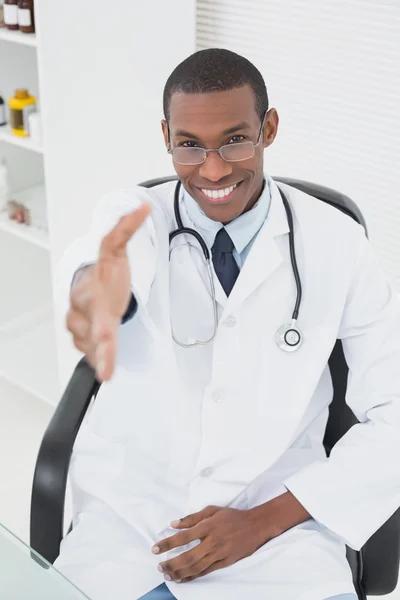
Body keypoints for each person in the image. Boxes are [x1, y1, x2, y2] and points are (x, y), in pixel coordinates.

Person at [54, 48, 400, 600]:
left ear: (270, 127)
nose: (213, 170)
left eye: (236, 140)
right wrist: (97, 292)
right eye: (189, 145)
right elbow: (101, 262)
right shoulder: (135, 216)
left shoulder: (338, 244)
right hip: (135, 521)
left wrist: (264, 520)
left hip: (280, 533)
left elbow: (394, 414)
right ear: (166, 136)